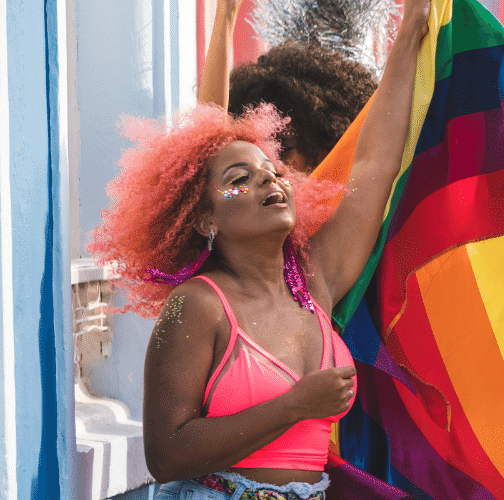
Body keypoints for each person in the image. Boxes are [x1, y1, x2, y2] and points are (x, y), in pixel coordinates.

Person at [87, 0, 426, 497]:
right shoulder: (197, 306)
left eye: (273, 171)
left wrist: (414, 27)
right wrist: (294, 406)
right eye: (239, 180)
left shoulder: (315, 285)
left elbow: (375, 163)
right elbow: (166, 454)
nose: (267, 180)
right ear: (204, 218)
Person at [199, 0, 379, 172]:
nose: (271, 166)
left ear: (324, 146)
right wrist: (226, 13)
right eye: (258, 151)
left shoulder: (352, 197)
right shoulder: (255, 197)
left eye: (284, 147)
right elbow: (206, 147)